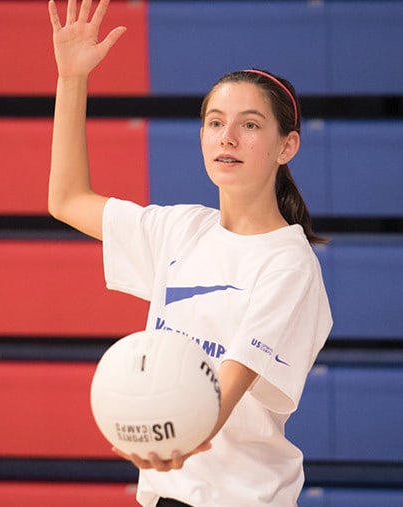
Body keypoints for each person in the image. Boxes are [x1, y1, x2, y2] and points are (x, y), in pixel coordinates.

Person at [47, 1, 332, 505]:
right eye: (216, 122)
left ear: (286, 146)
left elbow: (228, 384)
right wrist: (72, 78)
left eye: (250, 125)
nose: (228, 136)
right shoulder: (179, 229)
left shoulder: (289, 264)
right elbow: (66, 199)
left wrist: (172, 438)